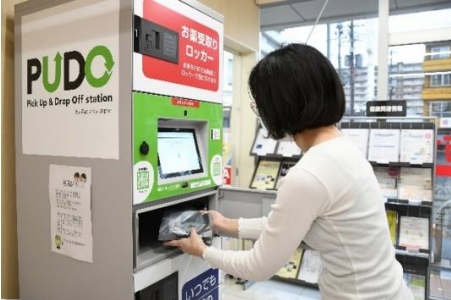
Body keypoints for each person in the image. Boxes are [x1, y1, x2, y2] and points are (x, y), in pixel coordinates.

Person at [164, 43, 413, 300]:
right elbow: (286, 226)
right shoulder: (342, 149)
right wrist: (225, 224)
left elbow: (258, 266)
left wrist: (203, 252)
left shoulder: (309, 174)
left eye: (259, 104)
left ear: (280, 105)